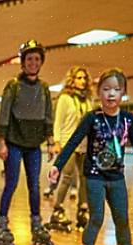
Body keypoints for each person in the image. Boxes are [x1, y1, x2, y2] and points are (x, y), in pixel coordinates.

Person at [48, 68, 133, 245]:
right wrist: (57, 165)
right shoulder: (92, 118)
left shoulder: (127, 119)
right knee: (96, 218)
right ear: (98, 92)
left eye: (116, 90)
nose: (111, 94)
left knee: (122, 219)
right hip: (95, 177)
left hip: (117, 178)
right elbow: (73, 141)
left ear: (123, 93)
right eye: (106, 89)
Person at [0, 39, 55, 245]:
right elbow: (3, 114)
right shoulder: (13, 86)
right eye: (29, 59)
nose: (33, 62)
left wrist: (51, 140)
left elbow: (48, 115)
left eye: (37, 59)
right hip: (13, 143)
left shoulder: (44, 88)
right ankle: (1, 222)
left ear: (41, 62)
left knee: (34, 185)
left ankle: (36, 223)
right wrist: (1, 143)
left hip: (34, 144)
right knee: (11, 183)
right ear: (23, 62)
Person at [44, 66, 93, 234]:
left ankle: (82, 209)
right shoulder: (64, 98)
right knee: (67, 176)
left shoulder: (87, 101)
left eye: (84, 78)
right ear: (72, 80)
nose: (82, 81)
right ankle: (58, 209)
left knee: (85, 177)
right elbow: (58, 122)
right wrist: (56, 142)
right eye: (79, 78)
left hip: (84, 144)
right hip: (68, 143)